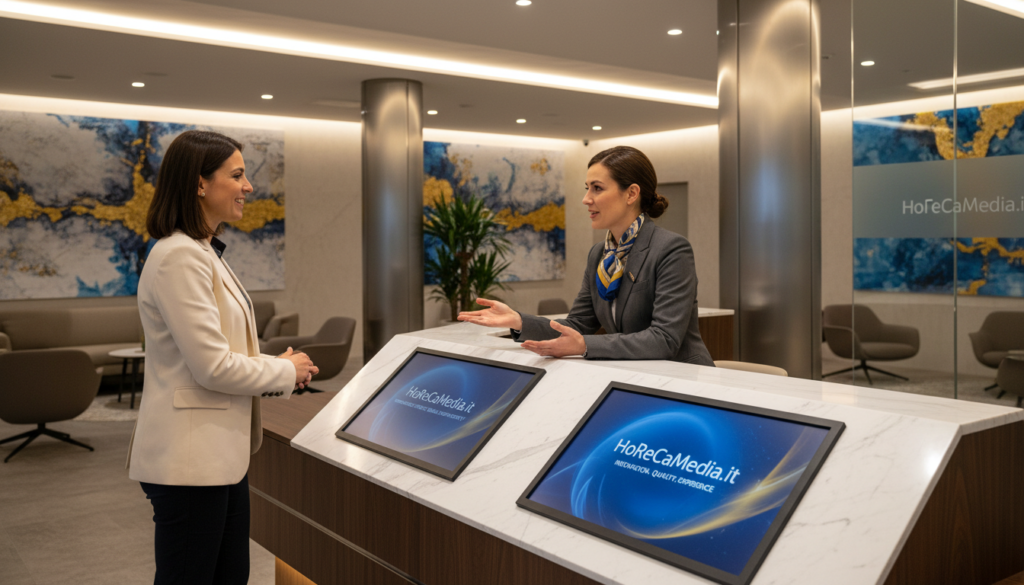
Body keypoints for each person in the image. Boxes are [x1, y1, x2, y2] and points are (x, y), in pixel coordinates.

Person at [127, 130, 318, 584]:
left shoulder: (202, 252)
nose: (249, 186)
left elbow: (219, 348)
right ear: (199, 184)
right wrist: (284, 371)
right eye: (237, 174)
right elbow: (211, 366)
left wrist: (277, 366)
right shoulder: (179, 257)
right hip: (191, 462)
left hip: (218, 459)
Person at [458, 145, 714, 366]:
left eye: (597, 188)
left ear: (631, 193)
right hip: (636, 375)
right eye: (587, 188)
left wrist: (584, 346)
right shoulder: (599, 254)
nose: (586, 199)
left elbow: (664, 339)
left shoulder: (670, 249)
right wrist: (518, 321)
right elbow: (579, 324)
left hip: (682, 378)